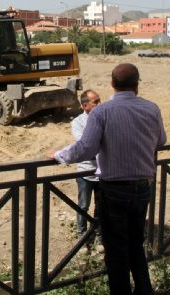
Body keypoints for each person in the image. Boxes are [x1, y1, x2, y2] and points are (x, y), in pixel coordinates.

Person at [48, 63, 166, 295]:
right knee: (135, 245)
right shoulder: (152, 108)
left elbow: (86, 148)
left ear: (112, 85)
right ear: (137, 85)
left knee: (115, 251)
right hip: (143, 187)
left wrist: (59, 155)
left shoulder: (102, 112)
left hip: (114, 191)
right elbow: (160, 140)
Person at [72, 89, 101, 240]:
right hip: (85, 172)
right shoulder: (77, 122)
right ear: (84, 106)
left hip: (102, 172)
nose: (99, 104)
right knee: (83, 205)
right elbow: (85, 145)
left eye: (99, 100)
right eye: (95, 102)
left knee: (101, 206)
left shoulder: (105, 119)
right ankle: (82, 236)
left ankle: (98, 234)